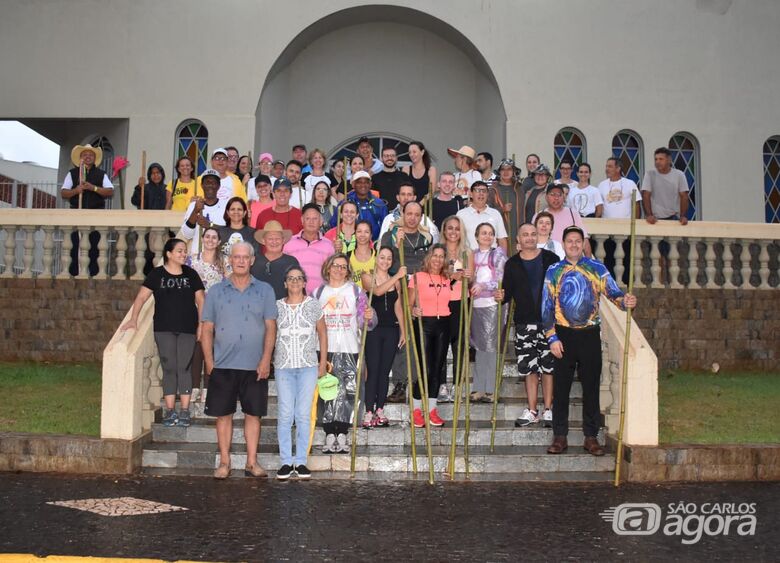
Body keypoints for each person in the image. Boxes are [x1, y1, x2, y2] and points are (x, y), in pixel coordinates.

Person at [542, 226, 637, 456]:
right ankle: (560, 436)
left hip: (589, 335)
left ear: (583, 244)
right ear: (563, 244)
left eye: (578, 241)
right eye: (569, 241)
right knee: (561, 388)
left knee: (591, 386)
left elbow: (614, 294)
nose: (574, 244)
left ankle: (591, 437)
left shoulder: (596, 268)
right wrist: (551, 337)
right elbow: (546, 307)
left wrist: (626, 301)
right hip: (563, 336)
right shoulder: (554, 270)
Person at [201, 242, 278, 478]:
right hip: (223, 365)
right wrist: (209, 362)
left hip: (255, 366)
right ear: (230, 260)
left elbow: (271, 328)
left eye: (246, 257)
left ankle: (251, 462)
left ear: (252, 260)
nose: (241, 261)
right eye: (237, 257)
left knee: (253, 414)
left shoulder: (265, 291)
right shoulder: (215, 292)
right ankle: (224, 462)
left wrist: (266, 360)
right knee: (223, 415)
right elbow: (206, 330)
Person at [121, 238, 205, 427]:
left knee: (184, 367)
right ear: (168, 254)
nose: (183, 254)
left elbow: (201, 300)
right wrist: (133, 319)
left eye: (184, 251)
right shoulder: (157, 274)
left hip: (187, 329)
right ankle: (169, 410)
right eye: (179, 251)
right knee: (169, 367)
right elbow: (141, 297)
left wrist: (201, 325)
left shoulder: (191, 274)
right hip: (164, 328)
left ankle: (184, 411)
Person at [313, 253, 375, 453]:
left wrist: (368, 316)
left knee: (349, 392)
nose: (339, 270)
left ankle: (343, 433)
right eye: (335, 265)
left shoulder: (356, 291)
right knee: (327, 391)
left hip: (350, 347)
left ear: (348, 270)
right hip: (325, 349)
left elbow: (368, 324)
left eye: (343, 266)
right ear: (328, 268)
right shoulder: (318, 292)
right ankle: (329, 432)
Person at [499, 223, 559, 427]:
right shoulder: (512, 264)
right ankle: (533, 410)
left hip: (549, 323)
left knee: (548, 368)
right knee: (529, 368)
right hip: (524, 324)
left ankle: (549, 410)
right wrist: (500, 296)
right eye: (525, 235)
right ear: (518, 239)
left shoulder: (551, 259)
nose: (530, 238)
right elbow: (506, 293)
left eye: (533, 234)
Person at [274, 266, 328, 479]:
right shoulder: (277, 306)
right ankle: (286, 461)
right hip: (283, 366)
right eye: (291, 279)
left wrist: (322, 361)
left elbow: (322, 333)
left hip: (308, 366)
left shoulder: (313, 305)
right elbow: (270, 333)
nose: (295, 282)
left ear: (305, 282)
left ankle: (301, 461)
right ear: (285, 283)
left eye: (299, 278)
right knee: (286, 414)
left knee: (303, 414)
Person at [361, 247, 406, 426]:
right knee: (372, 370)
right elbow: (377, 291)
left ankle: (380, 408)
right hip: (373, 329)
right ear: (376, 258)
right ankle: (368, 411)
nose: (385, 261)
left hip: (391, 330)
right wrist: (397, 276)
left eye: (389, 259)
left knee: (384, 372)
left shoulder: (395, 281)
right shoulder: (367, 276)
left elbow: (398, 306)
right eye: (382, 257)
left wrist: (403, 330)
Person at [408, 244, 451, 428]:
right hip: (424, 324)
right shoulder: (417, 278)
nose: (438, 259)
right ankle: (417, 410)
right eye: (435, 255)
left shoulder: (448, 278)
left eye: (441, 256)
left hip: (443, 324)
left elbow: (463, 292)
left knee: (437, 368)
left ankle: (432, 409)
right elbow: (408, 304)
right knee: (423, 369)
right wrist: (413, 310)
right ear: (428, 257)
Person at [435, 215, 473, 403]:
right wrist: (451, 277)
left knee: (459, 345)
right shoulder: (438, 252)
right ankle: (442, 385)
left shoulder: (467, 252)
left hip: (461, 302)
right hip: (441, 302)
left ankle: (458, 385)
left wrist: (466, 276)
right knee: (441, 345)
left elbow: (471, 277)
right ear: (444, 230)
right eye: (449, 228)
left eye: (457, 228)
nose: (453, 232)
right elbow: (434, 277)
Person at [468, 223, 507, 403]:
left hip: (492, 304)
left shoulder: (497, 254)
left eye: (490, 233)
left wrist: (483, 286)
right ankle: (478, 388)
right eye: (483, 233)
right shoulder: (472, 254)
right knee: (479, 347)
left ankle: (490, 388)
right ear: (476, 236)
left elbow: (500, 279)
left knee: (491, 348)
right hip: (476, 305)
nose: (487, 236)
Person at [185, 226, 225, 402]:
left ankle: (209, 387)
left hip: (216, 311)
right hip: (194, 309)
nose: (210, 240)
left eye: (214, 237)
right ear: (202, 238)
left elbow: (228, 285)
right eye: (207, 237)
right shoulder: (192, 261)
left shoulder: (224, 262)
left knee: (211, 348)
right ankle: (194, 387)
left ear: (219, 241)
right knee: (197, 347)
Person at [284, 203, 336, 294]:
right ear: (302, 220)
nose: (311, 222)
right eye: (308, 218)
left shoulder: (328, 245)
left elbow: (332, 274)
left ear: (321, 221)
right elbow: (283, 271)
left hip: (320, 297)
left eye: (315, 219)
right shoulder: (289, 243)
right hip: (294, 296)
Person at [180, 169, 228, 255]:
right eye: (207, 182)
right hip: (197, 256)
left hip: (219, 257)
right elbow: (187, 234)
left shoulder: (226, 206)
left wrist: (210, 225)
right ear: (202, 185)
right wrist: (195, 211)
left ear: (219, 186)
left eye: (213, 182)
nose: (210, 185)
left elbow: (229, 232)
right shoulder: (194, 205)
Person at [331, 171, 388, 240]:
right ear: (353, 184)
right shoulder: (344, 203)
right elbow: (334, 224)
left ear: (370, 184)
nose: (363, 185)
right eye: (359, 182)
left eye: (366, 182)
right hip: (349, 244)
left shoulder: (380, 204)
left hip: (373, 245)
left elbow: (385, 228)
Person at [380, 201, 433, 274]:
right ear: (402, 214)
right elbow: (383, 264)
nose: (412, 218)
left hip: (420, 280)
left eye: (417, 215)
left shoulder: (426, 239)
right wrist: (396, 246)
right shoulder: (389, 236)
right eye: (409, 214)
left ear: (421, 218)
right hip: (396, 280)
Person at [538, 184, 591, 257]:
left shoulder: (573, 213)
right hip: (546, 258)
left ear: (564, 197)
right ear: (546, 197)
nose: (556, 198)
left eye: (559, 195)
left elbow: (584, 239)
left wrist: (589, 263)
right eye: (552, 194)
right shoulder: (539, 216)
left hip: (569, 259)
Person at [250, 221, 299, 299]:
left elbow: (299, 290)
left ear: (283, 240)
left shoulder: (291, 262)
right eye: (270, 239)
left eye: (277, 238)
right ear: (263, 241)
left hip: (284, 308)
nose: (274, 242)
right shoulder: (254, 261)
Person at [642, 146, 690, 225]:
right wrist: (649, 215)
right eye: (656, 159)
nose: (657, 162)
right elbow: (646, 195)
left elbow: (684, 196)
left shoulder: (679, 175)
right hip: (654, 219)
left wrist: (683, 216)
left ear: (669, 160)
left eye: (661, 159)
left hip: (674, 218)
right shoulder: (649, 174)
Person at [457, 181, 509, 252]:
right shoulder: (461, 214)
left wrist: (503, 260)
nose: (481, 194)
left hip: (491, 259)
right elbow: (456, 240)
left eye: (484, 191)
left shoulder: (495, 214)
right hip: (468, 258)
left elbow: (502, 240)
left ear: (487, 194)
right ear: (471, 194)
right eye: (477, 190)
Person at [61, 143, 114, 209]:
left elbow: (110, 192)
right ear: (81, 158)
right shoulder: (72, 173)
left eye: (91, 155)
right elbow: (63, 193)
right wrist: (75, 191)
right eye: (85, 155)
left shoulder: (101, 174)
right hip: (77, 212)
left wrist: (93, 188)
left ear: (94, 158)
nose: (88, 157)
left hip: (96, 212)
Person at [488, 158, 523, 242]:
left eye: (509, 169)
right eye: (503, 169)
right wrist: (502, 209)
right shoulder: (493, 190)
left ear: (514, 171)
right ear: (499, 172)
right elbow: (488, 211)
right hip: (500, 236)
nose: (506, 172)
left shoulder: (520, 188)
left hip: (518, 235)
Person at [217, 197, 257, 270]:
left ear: (245, 213)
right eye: (232, 209)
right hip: (222, 274)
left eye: (239, 209)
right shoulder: (219, 232)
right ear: (228, 212)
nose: (236, 212)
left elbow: (255, 257)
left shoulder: (253, 233)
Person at [348, 220, 375, 288]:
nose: (362, 235)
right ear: (355, 234)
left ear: (371, 235)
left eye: (366, 232)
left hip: (375, 297)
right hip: (354, 297)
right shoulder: (347, 257)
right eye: (359, 231)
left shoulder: (378, 256)